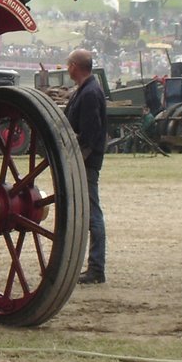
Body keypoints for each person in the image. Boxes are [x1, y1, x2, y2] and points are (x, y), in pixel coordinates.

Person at [65, 48, 107, 284]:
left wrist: (78, 162)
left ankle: (96, 268)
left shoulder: (90, 93)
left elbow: (91, 134)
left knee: (92, 215)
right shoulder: (86, 89)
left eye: (69, 64)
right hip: (83, 159)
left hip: (86, 161)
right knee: (87, 214)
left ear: (74, 67)